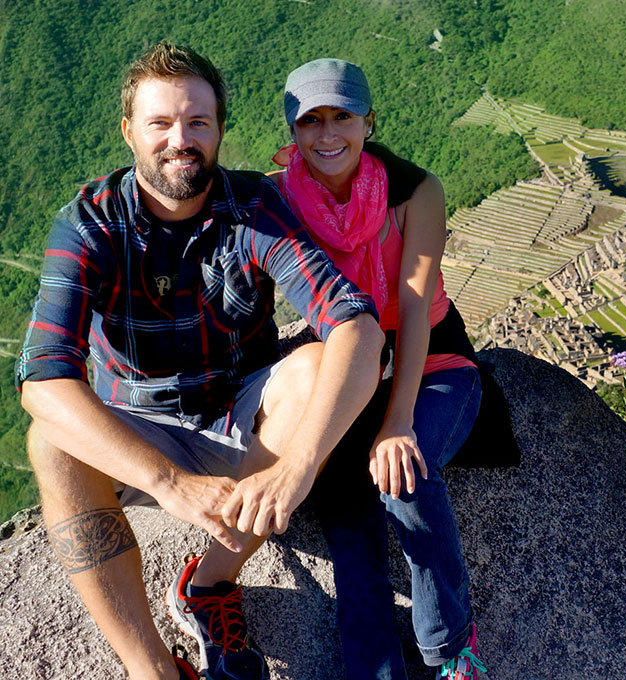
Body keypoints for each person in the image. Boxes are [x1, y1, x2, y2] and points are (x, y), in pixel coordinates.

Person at [16, 43, 384, 680]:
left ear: (219, 130)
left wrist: (298, 468)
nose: (179, 140)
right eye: (161, 123)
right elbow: (43, 378)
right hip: (140, 431)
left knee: (317, 363)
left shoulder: (251, 210)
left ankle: (210, 582)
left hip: (245, 426)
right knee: (51, 440)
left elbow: (356, 324)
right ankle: (152, 667)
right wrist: (168, 483)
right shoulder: (90, 226)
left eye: (197, 123)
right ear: (130, 132)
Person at [269, 58, 487, 680]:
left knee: (403, 472)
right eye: (311, 120)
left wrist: (398, 423)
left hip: (437, 364)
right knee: (345, 508)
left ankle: (451, 653)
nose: (327, 133)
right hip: (347, 371)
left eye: (342, 116)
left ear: (369, 122)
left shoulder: (416, 192)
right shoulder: (280, 198)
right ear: (293, 130)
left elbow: (416, 308)